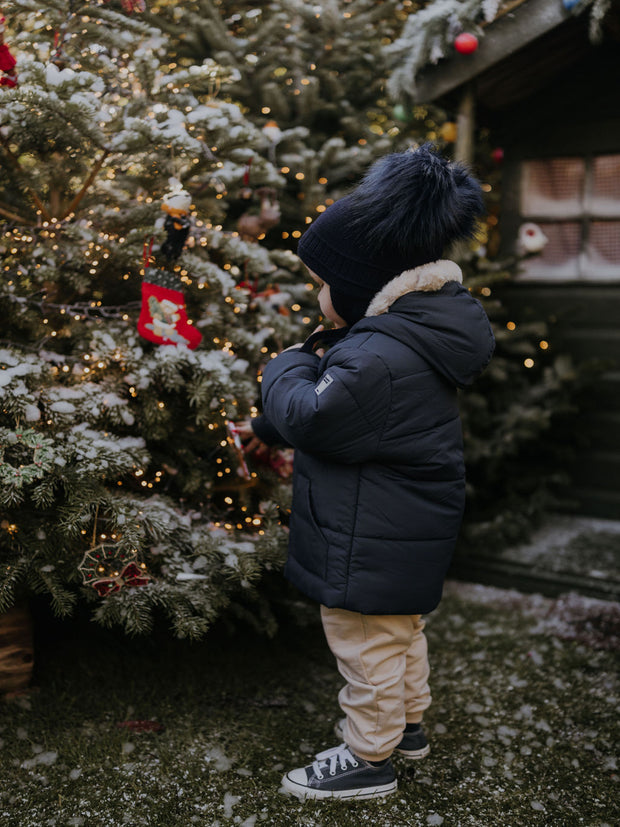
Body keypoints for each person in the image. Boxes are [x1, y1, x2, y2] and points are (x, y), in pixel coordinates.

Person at [242, 145, 495, 801]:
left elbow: (318, 415)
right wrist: (275, 418)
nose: (319, 298)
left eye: (323, 284)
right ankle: (406, 725)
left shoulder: (378, 353)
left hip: (370, 529)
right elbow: (347, 408)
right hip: (402, 521)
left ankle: (368, 755)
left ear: (356, 287)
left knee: (365, 641)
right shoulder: (403, 337)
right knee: (399, 628)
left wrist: (284, 366)